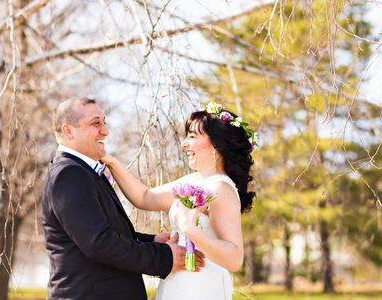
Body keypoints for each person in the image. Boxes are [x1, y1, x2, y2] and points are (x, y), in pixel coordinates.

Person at [41, 97, 204, 300]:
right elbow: (99, 243)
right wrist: (165, 257)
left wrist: (153, 241)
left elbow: (106, 232)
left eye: (104, 122)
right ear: (68, 131)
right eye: (95, 123)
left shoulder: (82, 171)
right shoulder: (69, 174)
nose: (105, 131)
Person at [102, 101, 258, 300]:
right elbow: (145, 198)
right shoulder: (194, 180)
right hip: (177, 284)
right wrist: (110, 162)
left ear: (217, 145)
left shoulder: (221, 189)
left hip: (200, 288)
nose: (184, 143)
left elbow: (235, 259)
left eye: (192, 136)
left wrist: (189, 228)